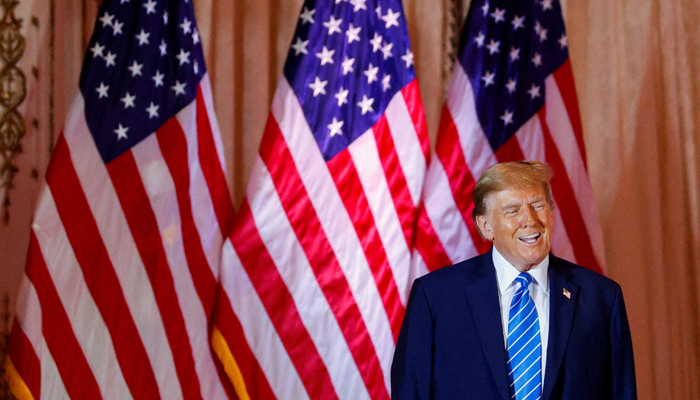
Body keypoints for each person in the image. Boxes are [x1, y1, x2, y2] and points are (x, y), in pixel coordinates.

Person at [391, 161, 636, 400]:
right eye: (513, 210)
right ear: (486, 227)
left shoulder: (601, 297)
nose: (530, 220)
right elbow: (411, 391)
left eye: (538, 205)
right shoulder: (436, 298)